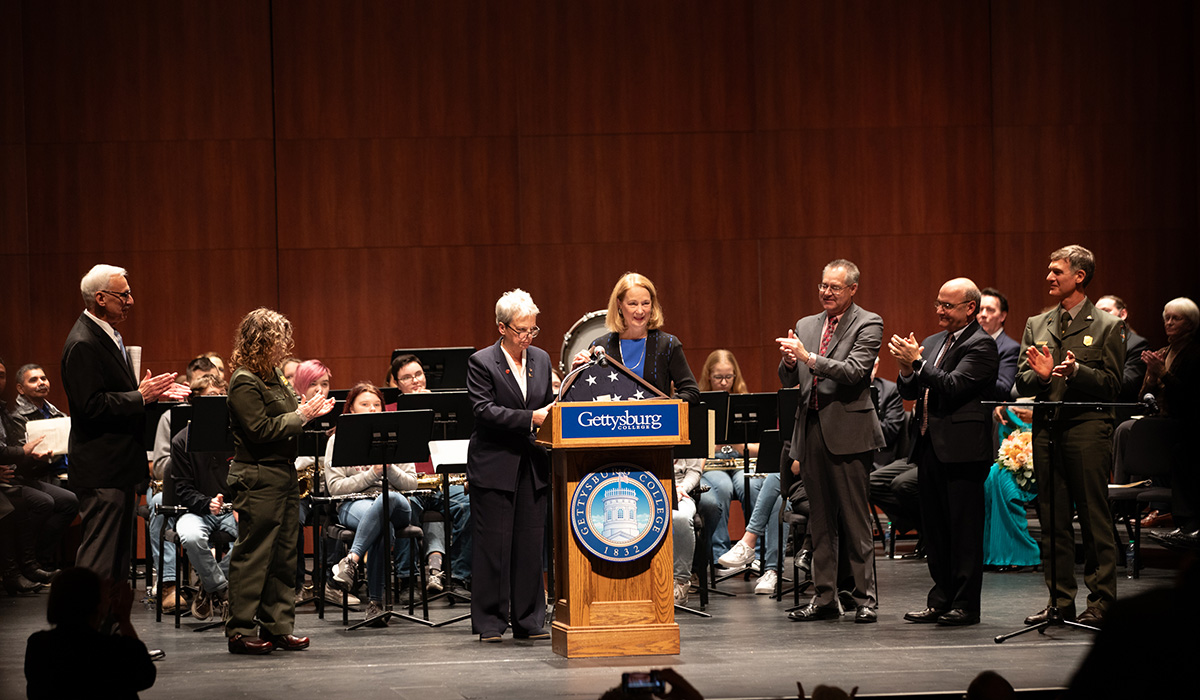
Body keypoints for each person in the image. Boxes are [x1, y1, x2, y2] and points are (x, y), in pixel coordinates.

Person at [1015, 245, 1124, 628]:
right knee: (1053, 520)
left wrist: (1077, 374)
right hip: (1047, 428)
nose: (1048, 277)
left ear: (1079, 276)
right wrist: (1042, 375)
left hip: (1088, 430)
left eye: (1057, 271)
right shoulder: (1036, 322)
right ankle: (1059, 601)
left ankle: (1101, 602)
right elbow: (1020, 381)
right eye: (1049, 270)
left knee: (1095, 521)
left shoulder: (1107, 326)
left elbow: (1112, 386)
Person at [60, 264, 188, 587]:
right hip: (101, 469)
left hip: (118, 467)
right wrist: (139, 397)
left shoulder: (109, 334)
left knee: (117, 566)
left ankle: (111, 631)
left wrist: (150, 395)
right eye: (124, 295)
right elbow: (90, 407)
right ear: (100, 298)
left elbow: (121, 397)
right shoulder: (83, 344)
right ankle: (83, 631)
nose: (131, 301)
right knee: (98, 564)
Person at [776, 259, 884, 623]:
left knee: (855, 520)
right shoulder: (807, 324)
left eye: (835, 287)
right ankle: (824, 598)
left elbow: (855, 372)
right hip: (811, 431)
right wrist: (791, 362)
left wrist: (808, 358)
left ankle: (865, 598)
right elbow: (790, 380)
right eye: (823, 285)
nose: (826, 292)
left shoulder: (869, 322)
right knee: (819, 522)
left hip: (850, 432)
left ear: (853, 289)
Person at [224, 308, 334, 655]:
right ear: (260, 342)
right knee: (254, 555)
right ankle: (240, 630)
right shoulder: (244, 380)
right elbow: (259, 430)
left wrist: (310, 413)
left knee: (285, 555)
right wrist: (301, 414)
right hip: (258, 475)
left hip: (283, 473)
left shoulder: (272, 374)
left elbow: (289, 417)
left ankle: (278, 625)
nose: (283, 347)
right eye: (277, 340)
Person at [891, 277, 998, 627]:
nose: (939, 310)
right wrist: (908, 368)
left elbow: (953, 386)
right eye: (937, 303)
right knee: (935, 530)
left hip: (963, 451)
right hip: (929, 447)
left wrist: (919, 365)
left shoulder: (981, 346)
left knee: (963, 531)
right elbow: (910, 391)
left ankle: (966, 605)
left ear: (970, 308)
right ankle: (940, 600)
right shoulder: (934, 341)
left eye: (947, 305)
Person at [467, 289, 555, 642]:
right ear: (502, 327)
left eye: (533, 330)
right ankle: (490, 622)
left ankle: (529, 621)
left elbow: (548, 405)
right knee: (494, 548)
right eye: (522, 330)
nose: (528, 337)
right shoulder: (481, 362)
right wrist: (530, 417)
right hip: (495, 465)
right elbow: (483, 410)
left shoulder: (542, 359)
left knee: (530, 547)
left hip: (532, 465)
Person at [326, 382, 419, 625]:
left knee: (386, 499)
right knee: (382, 526)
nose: (372, 409)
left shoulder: (399, 435)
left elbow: (411, 483)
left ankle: (351, 561)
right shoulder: (337, 439)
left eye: (377, 405)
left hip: (396, 502)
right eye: (365, 404)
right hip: (354, 504)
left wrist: (389, 470)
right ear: (352, 410)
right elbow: (335, 487)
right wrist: (372, 474)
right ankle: (376, 605)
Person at [390, 353, 472, 593]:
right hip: (410, 483)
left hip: (443, 482)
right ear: (396, 383)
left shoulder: (447, 408)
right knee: (404, 510)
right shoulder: (391, 410)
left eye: (419, 374)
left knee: (470, 504)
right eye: (407, 377)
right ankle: (407, 578)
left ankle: (459, 575)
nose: (416, 381)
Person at [1131, 298, 1200, 549]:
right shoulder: (1163, 352)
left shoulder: (1194, 353)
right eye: (1167, 318)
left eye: (1176, 318)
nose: (1169, 323)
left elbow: (1187, 397)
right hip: (1161, 421)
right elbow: (1142, 397)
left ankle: (1187, 525)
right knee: (1126, 430)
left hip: (1184, 422)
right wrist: (1150, 378)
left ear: (1190, 323)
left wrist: (1162, 373)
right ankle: (1122, 499)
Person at [25, 567, 156, 699]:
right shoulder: (111, 650)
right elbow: (145, 677)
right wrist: (124, 621)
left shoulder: (38, 645)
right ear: (97, 604)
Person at [1, 362, 77, 585]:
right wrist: (36, 458)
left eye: (43, 378)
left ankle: (40, 561)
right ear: (20, 388)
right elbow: (17, 461)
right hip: (35, 474)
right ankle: (33, 562)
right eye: (33, 380)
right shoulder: (15, 417)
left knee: (82, 496)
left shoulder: (58, 414)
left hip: (62, 472)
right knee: (52, 500)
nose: (41, 383)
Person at [171, 374, 237, 622]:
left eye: (223, 397)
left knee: (260, 535)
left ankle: (208, 586)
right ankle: (222, 589)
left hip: (232, 509)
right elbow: (182, 488)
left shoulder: (236, 436)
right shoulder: (181, 440)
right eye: (212, 397)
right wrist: (205, 503)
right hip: (196, 511)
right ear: (195, 401)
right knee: (191, 536)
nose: (219, 403)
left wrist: (240, 504)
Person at [696, 349, 761, 562]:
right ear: (708, 376)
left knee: (750, 486)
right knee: (721, 488)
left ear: (735, 375)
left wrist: (737, 444)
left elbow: (759, 448)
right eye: (718, 377)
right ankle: (720, 556)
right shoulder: (699, 403)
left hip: (741, 459)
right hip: (713, 463)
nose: (724, 382)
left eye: (728, 377)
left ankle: (754, 552)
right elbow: (695, 449)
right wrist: (713, 447)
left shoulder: (745, 402)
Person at [982, 404, 1039, 569]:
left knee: (1004, 480)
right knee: (993, 475)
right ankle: (994, 554)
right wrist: (1003, 406)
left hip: (1050, 436)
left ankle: (1022, 553)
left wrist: (1035, 416)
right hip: (1024, 431)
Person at [1095, 294, 1151, 404]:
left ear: (1123, 314)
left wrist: (1089, 377)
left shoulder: (1137, 344)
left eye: (1106, 311)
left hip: (1119, 407)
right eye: (1097, 313)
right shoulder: (1093, 341)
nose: (1100, 316)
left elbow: (1128, 384)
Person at [978, 288, 1021, 402]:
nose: (983, 314)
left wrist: (973, 373)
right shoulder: (968, 344)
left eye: (990, 310)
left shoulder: (1010, 348)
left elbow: (1004, 389)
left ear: (1002, 316)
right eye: (980, 309)